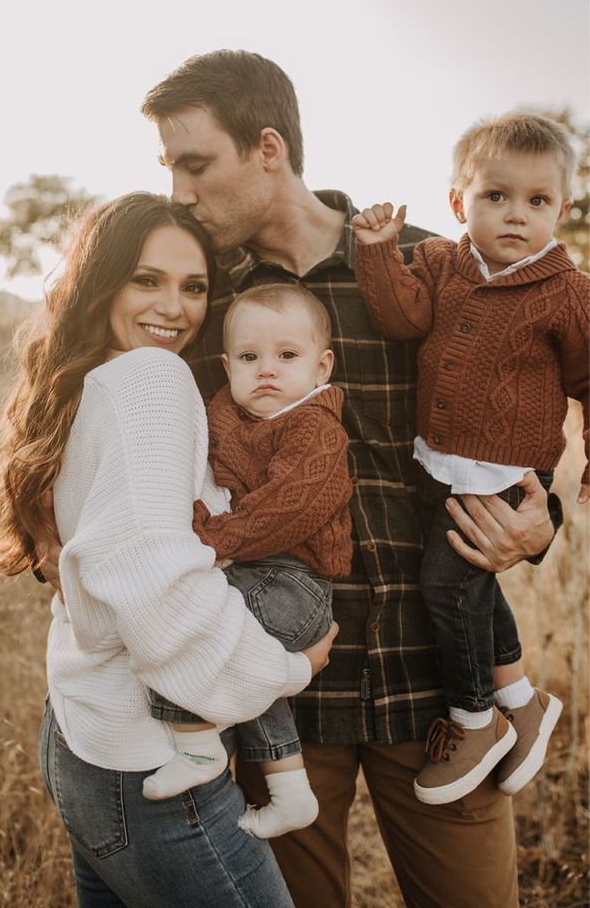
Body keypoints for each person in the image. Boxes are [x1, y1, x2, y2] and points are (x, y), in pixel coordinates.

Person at [130, 50, 562, 908]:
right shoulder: (204, 304)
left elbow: (521, 401)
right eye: (169, 169)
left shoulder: (426, 265)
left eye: (194, 163)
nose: (179, 191)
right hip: (278, 692)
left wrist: (540, 523)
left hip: (437, 690)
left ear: (266, 149)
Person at [0, 192, 338, 908]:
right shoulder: (153, 379)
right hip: (152, 762)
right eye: (148, 280)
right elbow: (156, 586)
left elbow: (107, 563)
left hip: (84, 738)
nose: (175, 307)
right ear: (102, 280)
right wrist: (283, 667)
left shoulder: (88, 381)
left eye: (194, 286)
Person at [352, 113, 588, 808]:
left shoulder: (567, 292)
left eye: (537, 202)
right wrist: (377, 252)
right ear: (459, 201)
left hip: (507, 476)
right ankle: (524, 701)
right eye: (497, 196)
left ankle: (475, 719)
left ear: (561, 211)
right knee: (474, 584)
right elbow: (401, 316)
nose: (516, 216)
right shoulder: (439, 263)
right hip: (439, 462)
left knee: (447, 587)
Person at [143, 282, 353, 841]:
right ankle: (290, 791)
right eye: (249, 357)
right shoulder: (225, 414)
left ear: (321, 366)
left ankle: (195, 740)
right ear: (227, 363)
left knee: (197, 618)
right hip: (258, 573)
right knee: (251, 673)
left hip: (296, 586)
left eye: (287, 356)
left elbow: (287, 508)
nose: (266, 370)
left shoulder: (317, 429)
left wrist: (212, 537)